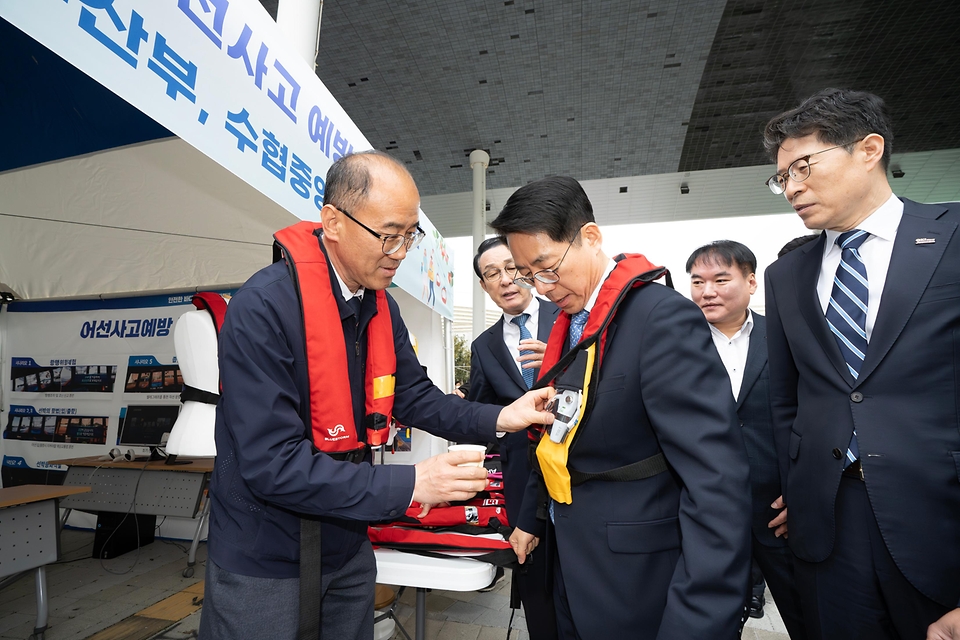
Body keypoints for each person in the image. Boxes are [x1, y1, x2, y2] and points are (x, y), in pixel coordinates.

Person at [198, 151, 554, 640]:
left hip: (347, 544)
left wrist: (501, 417)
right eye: (389, 235)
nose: (400, 252)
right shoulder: (264, 307)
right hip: (266, 554)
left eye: (410, 235)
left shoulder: (379, 307)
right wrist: (412, 484)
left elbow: (417, 398)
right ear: (333, 222)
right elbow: (272, 464)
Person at [490, 175, 751, 639]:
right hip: (569, 558)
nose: (543, 287)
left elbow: (715, 480)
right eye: (529, 275)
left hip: (634, 575)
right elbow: (557, 437)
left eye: (547, 267)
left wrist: (700, 617)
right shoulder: (569, 327)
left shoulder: (659, 317)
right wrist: (532, 517)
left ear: (590, 237)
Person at [762, 88, 960, 639]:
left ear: (869, 150)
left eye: (803, 167)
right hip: (827, 522)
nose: (791, 187)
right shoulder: (786, 275)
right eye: (782, 177)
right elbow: (786, 399)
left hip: (939, 512)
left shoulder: (952, 237)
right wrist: (798, 489)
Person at [687, 240, 806, 639]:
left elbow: (812, 417)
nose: (707, 291)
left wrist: (801, 494)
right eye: (698, 282)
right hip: (703, 513)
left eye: (721, 280)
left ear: (751, 282)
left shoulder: (786, 334)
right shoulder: (674, 343)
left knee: (806, 614)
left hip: (777, 512)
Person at [467, 236, 561, 639]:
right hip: (521, 481)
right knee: (534, 582)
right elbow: (480, 412)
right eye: (492, 274)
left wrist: (560, 358)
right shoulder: (483, 346)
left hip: (578, 473)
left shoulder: (569, 317)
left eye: (510, 268)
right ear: (484, 285)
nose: (505, 280)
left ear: (525, 269)